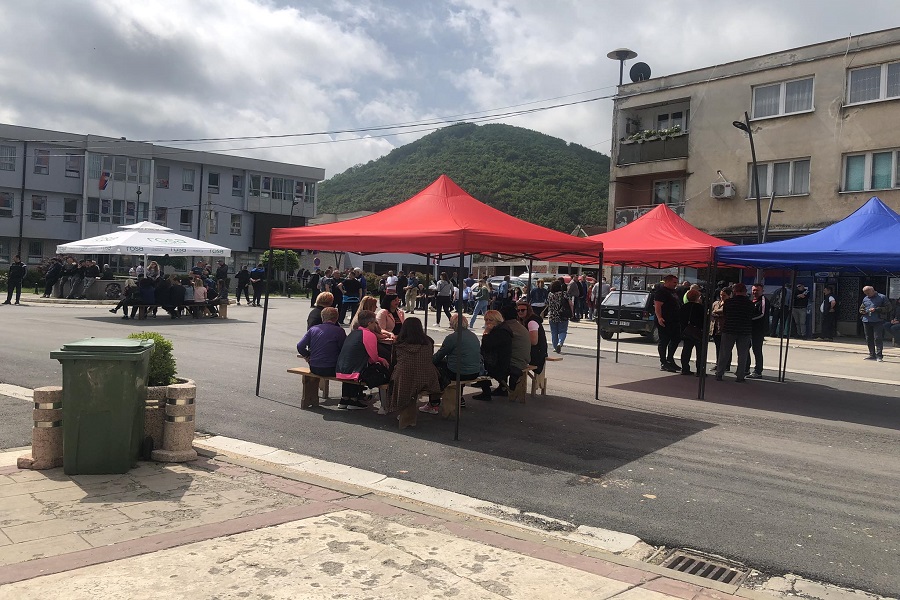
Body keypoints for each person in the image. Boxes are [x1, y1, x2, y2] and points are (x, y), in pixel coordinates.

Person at [387, 317, 442, 428]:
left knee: (397, 380)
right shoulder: (429, 341)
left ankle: (398, 411)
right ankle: (433, 404)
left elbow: (393, 362)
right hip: (427, 377)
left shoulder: (399, 343)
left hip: (405, 378)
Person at [335, 310, 390, 410]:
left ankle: (345, 399)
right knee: (372, 369)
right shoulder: (369, 335)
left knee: (356, 364)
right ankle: (354, 400)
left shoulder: (353, 333)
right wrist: (381, 360)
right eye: (375, 323)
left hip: (340, 368)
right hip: (355, 371)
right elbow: (373, 357)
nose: (376, 325)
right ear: (369, 323)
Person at [428, 313, 481, 413]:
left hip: (458, 372)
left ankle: (434, 402)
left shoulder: (452, 337)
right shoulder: (473, 336)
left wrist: (428, 362)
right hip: (475, 371)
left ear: (453, 324)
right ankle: (460, 398)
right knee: (456, 365)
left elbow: (439, 356)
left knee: (436, 370)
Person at [715, 283, 754, 382]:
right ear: (745, 292)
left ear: (734, 291)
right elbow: (751, 316)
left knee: (724, 353)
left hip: (729, 329)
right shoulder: (750, 304)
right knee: (742, 354)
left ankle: (719, 373)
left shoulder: (729, 302)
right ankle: (740, 376)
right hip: (744, 330)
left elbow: (725, 314)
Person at [473, 310, 512, 401]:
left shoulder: (500, 332)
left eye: (490, 320)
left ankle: (486, 392)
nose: (487, 322)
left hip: (498, 365)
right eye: (486, 320)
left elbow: (486, 345)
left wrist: (486, 332)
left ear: (497, 320)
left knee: (479, 364)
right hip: (501, 361)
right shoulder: (504, 329)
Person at [297, 307, 346, 378]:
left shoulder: (313, 329)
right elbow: (343, 349)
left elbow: (300, 346)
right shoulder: (339, 331)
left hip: (314, 367)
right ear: (336, 318)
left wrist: (308, 355)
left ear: (322, 317)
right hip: (332, 368)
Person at [654, 274, 682, 372]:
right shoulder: (661, 291)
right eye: (674, 282)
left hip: (674, 320)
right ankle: (663, 362)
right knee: (664, 341)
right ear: (668, 282)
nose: (676, 284)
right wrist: (659, 317)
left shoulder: (673, 292)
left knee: (676, 338)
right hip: (665, 320)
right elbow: (657, 305)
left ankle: (670, 359)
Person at [859, 285, 890, 362]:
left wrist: (876, 309)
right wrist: (863, 311)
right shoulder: (865, 298)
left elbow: (888, 308)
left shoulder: (882, 297)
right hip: (866, 320)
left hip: (878, 320)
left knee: (877, 338)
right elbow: (861, 308)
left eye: (869, 293)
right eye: (866, 293)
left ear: (873, 291)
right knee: (868, 338)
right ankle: (871, 354)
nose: (868, 295)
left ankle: (879, 355)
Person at [517, 301, 548, 375]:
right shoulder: (522, 321)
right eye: (518, 310)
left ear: (528, 311)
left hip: (537, 354)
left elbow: (534, 341)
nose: (520, 312)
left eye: (523, 310)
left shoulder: (532, 322)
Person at [679, 289, 704, 375]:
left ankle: (685, 368)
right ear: (697, 298)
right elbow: (704, 320)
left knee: (686, 350)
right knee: (700, 351)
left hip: (687, 331)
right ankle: (700, 370)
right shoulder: (700, 307)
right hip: (698, 331)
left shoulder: (683, 307)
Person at [748, 283, 768, 379]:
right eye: (753, 290)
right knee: (745, 348)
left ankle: (758, 371)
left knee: (757, 350)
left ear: (762, 291)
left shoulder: (763, 300)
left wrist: (749, 319)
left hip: (758, 329)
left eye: (757, 290)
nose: (755, 292)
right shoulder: (751, 300)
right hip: (749, 329)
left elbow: (762, 314)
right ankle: (745, 368)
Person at [710, 287, 733, 373]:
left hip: (724, 328)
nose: (722, 297)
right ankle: (718, 363)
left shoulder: (730, 303)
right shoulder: (716, 303)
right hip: (715, 328)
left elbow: (723, 312)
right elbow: (710, 311)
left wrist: (715, 312)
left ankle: (726, 364)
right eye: (721, 295)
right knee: (718, 347)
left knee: (726, 348)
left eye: (724, 295)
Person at [546, 279, 571, 353]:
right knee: (563, 331)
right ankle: (560, 343)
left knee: (554, 332)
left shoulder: (550, 294)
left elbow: (548, 303)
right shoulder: (564, 294)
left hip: (552, 315)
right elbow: (570, 303)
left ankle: (555, 347)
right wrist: (571, 312)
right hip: (562, 314)